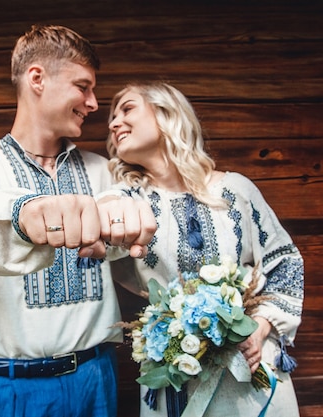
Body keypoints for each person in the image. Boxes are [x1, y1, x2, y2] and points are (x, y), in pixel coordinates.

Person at [0, 25, 156, 417]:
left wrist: (122, 217)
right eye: (83, 86)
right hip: (10, 389)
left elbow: (126, 220)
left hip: (96, 379)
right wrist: (21, 214)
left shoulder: (103, 172)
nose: (94, 103)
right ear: (37, 79)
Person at [106, 82, 304, 417]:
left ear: (166, 113)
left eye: (127, 109)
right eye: (112, 117)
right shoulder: (127, 199)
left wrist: (261, 327)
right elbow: (105, 233)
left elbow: (285, 262)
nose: (113, 124)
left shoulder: (235, 190)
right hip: (175, 371)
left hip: (248, 366)